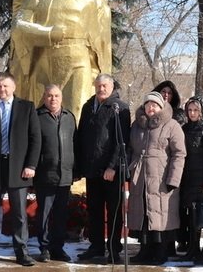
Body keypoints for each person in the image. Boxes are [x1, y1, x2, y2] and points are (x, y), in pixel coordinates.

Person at [11, 0, 106, 120]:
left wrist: (96, 67)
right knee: (41, 112)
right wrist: (47, 33)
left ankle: (76, 148)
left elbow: (96, 36)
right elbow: (19, 24)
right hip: (45, 58)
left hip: (78, 58)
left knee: (77, 110)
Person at [0, 72, 41, 267]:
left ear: (13, 87)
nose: (2, 90)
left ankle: (22, 252)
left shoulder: (27, 108)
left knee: (19, 214)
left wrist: (31, 165)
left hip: (18, 169)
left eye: (5, 86)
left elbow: (35, 139)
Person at [75, 74, 131, 264]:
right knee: (94, 210)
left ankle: (114, 247)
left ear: (112, 86)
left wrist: (112, 166)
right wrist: (81, 166)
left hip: (111, 172)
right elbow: (81, 136)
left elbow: (121, 140)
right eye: (98, 86)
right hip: (92, 170)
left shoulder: (119, 108)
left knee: (113, 211)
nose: (101, 89)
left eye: (105, 86)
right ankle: (96, 246)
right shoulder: (88, 106)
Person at [127, 91, 186, 265]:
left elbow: (179, 153)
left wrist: (174, 179)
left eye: (154, 105)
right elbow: (131, 149)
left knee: (160, 214)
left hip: (162, 177)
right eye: (148, 104)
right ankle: (144, 251)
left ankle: (160, 252)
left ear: (161, 107)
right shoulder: (136, 125)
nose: (151, 108)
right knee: (143, 214)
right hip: (140, 176)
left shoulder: (172, 125)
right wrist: (130, 170)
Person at [33, 84, 77, 263]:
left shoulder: (69, 117)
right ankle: (44, 248)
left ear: (61, 97)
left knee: (60, 214)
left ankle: (57, 248)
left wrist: (76, 169)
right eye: (49, 96)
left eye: (56, 96)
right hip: (45, 174)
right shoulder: (37, 117)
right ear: (44, 97)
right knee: (44, 213)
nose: (53, 99)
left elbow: (76, 144)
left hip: (65, 175)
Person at [177, 97, 203, 264]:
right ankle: (193, 248)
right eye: (190, 110)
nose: (192, 113)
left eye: (195, 110)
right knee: (192, 216)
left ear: (202, 111)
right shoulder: (184, 128)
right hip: (188, 178)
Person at [152, 80, 186, 256]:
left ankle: (172, 245)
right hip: (154, 172)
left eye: (169, 93)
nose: (166, 95)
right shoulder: (149, 114)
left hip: (173, 168)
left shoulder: (178, 116)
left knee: (171, 210)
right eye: (163, 92)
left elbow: (179, 150)